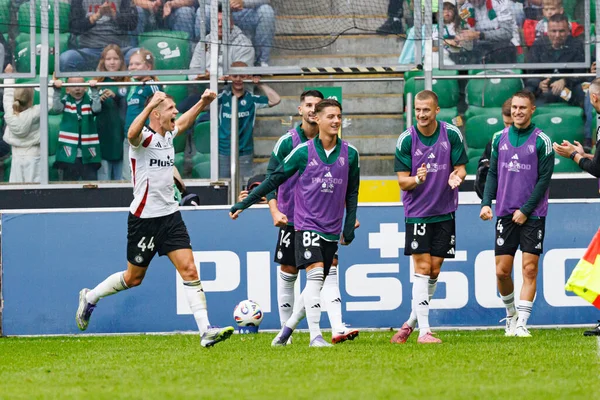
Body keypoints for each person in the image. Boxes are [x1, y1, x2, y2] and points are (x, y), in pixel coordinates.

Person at [76, 89, 235, 347]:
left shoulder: (168, 135)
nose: (176, 113)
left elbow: (184, 122)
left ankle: (206, 331)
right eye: (171, 108)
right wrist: (150, 105)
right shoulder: (144, 139)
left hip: (170, 217)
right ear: (157, 114)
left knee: (190, 269)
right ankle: (91, 297)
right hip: (144, 219)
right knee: (133, 278)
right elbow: (130, 134)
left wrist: (203, 103)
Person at [230, 99, 360, 347]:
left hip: (331, 227)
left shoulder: (350, 154)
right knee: (313, 277)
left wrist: (348, 224)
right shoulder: (302, 152)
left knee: (321, 279)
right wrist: (242, 205)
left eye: (339, 117)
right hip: (305, 223)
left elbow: (352, 192)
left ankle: (285, 332)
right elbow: (273, 179)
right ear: (318, 119)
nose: (335, 121)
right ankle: (316, 336)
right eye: (330, 116)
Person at [265, 90, 359, 345]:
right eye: (308, 105)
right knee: (289, 271)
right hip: (291, 217)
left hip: (322, 221)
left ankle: (335, 326)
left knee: (326, 271)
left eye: (316, 106)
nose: (311, 110)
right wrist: (274, 209)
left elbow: (341, 184)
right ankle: (287, 330)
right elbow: (271, 176)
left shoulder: (337, 146)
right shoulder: (288, 142)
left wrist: (348, 216)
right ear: (302, 110)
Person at [391, 90, 467, 345]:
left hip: (444, 211)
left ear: (437, 110)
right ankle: (425, 331)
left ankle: (409, 324)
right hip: (418, 213)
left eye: (426, 110)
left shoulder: (451, 134)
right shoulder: (406, 139)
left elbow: (461, 168)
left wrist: (458, 177)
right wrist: (417, 179)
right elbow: (402, 181)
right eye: (417, 110)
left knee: (434, 271)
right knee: (422, 269)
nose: (421, 115)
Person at [480, 90, 554, 338]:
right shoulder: (498, 138)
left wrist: (525, 210)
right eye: (514, 108)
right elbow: (492, 174)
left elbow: (544, 180)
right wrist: (486, 202)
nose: (518, 112)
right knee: (502, 271)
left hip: (532, 215)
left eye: (523, 108)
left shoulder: (542, 140)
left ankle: (522, 322)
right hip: (504, 212)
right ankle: (511, 315)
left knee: (529, 269)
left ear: (532, 110)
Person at [217, 61, 280, 181]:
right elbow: (204, 104)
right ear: (229, 77)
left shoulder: (252, 99)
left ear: (248, 77)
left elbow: (276, 99)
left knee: (245, 184)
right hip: (223, 150)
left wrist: (260, 83)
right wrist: (218, 83)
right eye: (234, 76)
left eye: (243, 76)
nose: (238, 79)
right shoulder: (222, 97)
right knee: (223, 186)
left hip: (245, 151)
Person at [1, 64, 53, 183]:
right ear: (30, 99)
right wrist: (51, 83)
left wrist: (9, 76)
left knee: (16, 189)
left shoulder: (9, 112)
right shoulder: (35, 112)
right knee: (34, 190)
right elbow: (49, 103)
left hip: (16, 156)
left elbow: (8, 95)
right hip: (34, 155)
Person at [524, 14, 586, 107]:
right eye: (554, 31)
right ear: (547, 31)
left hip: (566, 91)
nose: (557, 35)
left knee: (580, 92)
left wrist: (565, 80)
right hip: (542, 91)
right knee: (526, 93)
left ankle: (583, 119)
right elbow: (528, 74)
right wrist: (540, 83)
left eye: (561, 31)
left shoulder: (576, 45)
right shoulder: (538, 45)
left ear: (568, 31)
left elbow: (581, 73)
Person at [60, 0, 138, 72]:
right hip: (89, 51)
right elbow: (74, 27)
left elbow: (132, 24)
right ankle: (81, 86)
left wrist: (114, 14)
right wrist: (96, 16)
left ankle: (124, 87)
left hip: (120, 50)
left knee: (140, 57)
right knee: (66, 59)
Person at [51, 77, 103, 181]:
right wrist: (57, 90)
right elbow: (57, 109)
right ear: (67, 89)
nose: (77, 89)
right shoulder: (65, 101)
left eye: (80, 85)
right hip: (69, 155)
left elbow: (97, 109)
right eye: (73, 86)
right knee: (69, 185)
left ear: (85, 88)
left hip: (88, 153)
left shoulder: (89, 100)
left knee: (90, 184)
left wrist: (94, 90)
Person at [196, 0, 275, 66]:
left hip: (247, 11)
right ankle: (201, 60)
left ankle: (261, 63)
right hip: (220, 10)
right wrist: (226, 2)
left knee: (266, 11)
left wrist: (243, 2)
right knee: (202, 12)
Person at [123, 49, 162, 179]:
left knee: (144, 176)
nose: (132, 67)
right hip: (130, 137)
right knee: (129, 176)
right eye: (130, 64)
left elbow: (159, 112)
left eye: (137, 64)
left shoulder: (152, 86)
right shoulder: (135, 87)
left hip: (145, 139)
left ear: (148, 67)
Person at [189, 4, 254, 79]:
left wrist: (212, 77)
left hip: (231, 89)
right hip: (205, 88)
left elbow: (241, 77)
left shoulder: (244, 44)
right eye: (217, 21)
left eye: (223, 21)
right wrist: (198, 76)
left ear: (231, 23)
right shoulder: (203, 42)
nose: (220, 24)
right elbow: (192, 71)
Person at [95, 44, 130, 181]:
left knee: (122, 178)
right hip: (103, 135)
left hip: (121, 135)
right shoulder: (98, 82)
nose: (112, 62)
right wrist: (98, 98)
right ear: (103, 61)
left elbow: (126, 100)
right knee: (104, 178)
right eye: (108, 59)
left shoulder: (127, 81)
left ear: (121, 61)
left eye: (115, 58)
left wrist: (115, 96)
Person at [456, 0, 520, 64]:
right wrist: (460, 4)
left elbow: (507, 32)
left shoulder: (501, 3)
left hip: (503, 46)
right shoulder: (466, 8)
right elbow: (460, 26)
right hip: (480, 47)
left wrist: (480, 35)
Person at [475, 98, 513, 199]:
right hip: (502, 201)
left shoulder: (534, 140)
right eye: (506, 123)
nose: (509, 128)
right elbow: (483, 176)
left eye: (512, 124)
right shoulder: (496, 141)